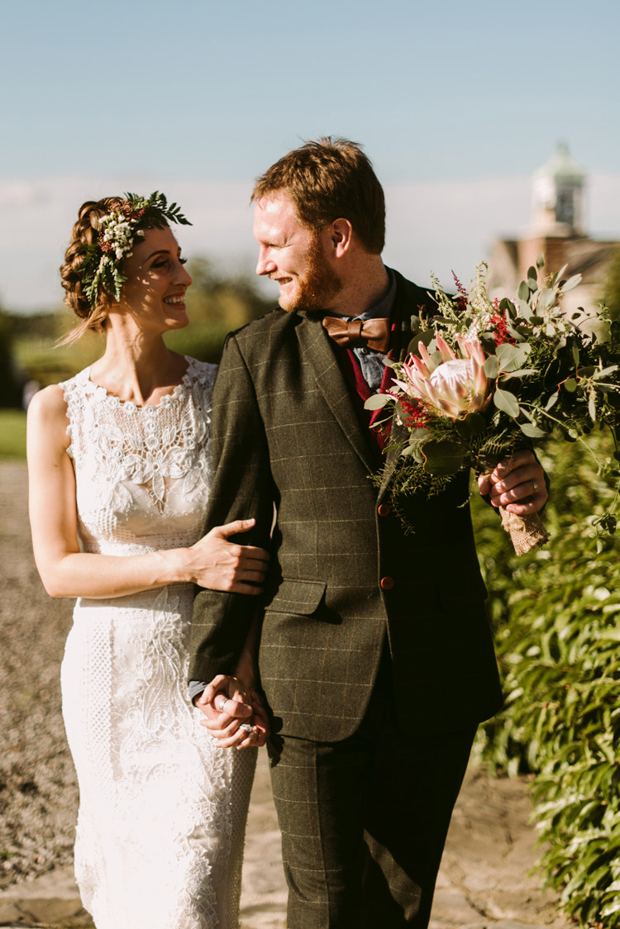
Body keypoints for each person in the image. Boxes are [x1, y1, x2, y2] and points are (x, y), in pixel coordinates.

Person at [188, 139, 548, 929]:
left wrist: (526, 480)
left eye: (276, 243)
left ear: (337, 236)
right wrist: (210, 667)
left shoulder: (467, 334)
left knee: (402, 903)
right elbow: (235, 523)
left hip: (435, 665)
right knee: (321, 904)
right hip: (309, 672)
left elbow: (509, 458)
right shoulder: (256, 356)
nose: (261, 264)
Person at [26, 193, 269, 929]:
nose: (183, 278)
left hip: (209, 679)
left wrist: (245, 671)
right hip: (109, 679)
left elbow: (254, 547)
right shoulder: (57, 411)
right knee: (133, 898)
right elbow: (59, 569)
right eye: (159, 263)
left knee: (191, 898)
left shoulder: (221, 392)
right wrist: (184, 563)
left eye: (180, 260)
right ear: (110, 283)